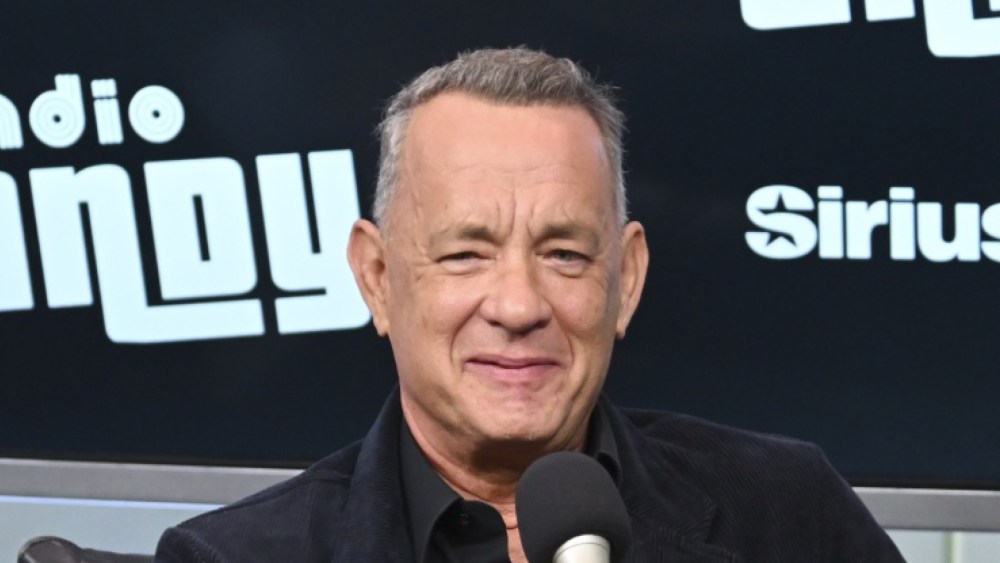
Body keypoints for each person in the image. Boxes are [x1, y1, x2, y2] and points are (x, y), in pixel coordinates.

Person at [155, 47, 904, 562]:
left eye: (564, 253)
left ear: (626, 279)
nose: (518, 306)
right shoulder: (229, 556)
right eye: (466, 253)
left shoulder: (787, 513)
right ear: (378, 277)